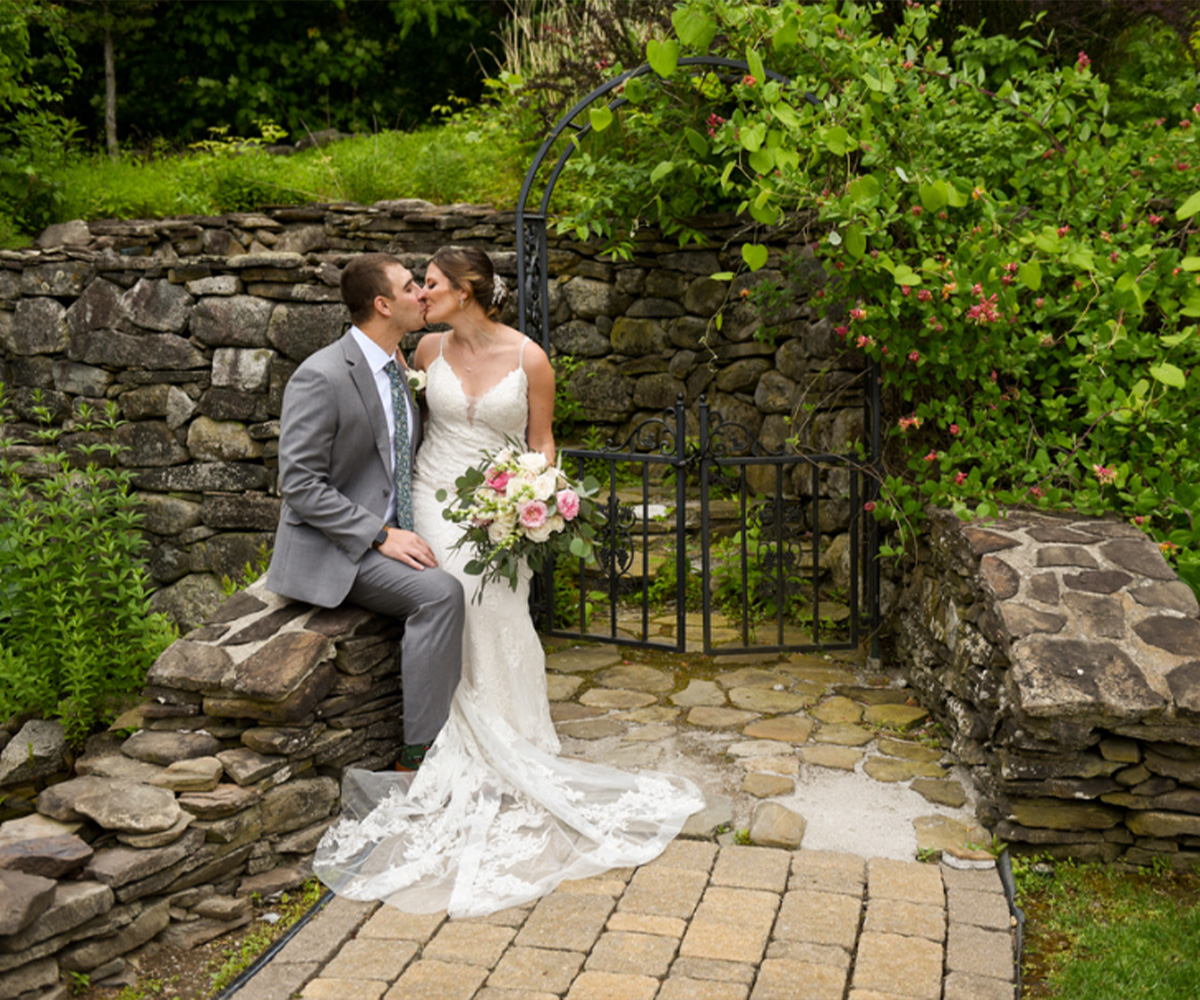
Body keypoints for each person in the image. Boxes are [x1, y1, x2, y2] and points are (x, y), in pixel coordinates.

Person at [313, 246, 705, 918]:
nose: (423, 292)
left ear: (467, 290)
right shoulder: (426, 353)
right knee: (454, 586)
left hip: (499, 501)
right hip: (431, 494)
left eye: (431, 283)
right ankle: (454, 739)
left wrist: (535, 492)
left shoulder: (529, 359)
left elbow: (542, 441)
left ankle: (515, 735)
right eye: (417, 285)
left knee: (498, 600)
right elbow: (396, 426)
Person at [266, 252, 464, 772]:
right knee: (440, 594)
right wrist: (380, 535)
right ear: (382, 304)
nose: (423, 293)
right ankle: (418, 758)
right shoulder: (322, 376)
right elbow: (300, 485)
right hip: (336, 548)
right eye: (409, 287)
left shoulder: (402, 365)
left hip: (399, 527)